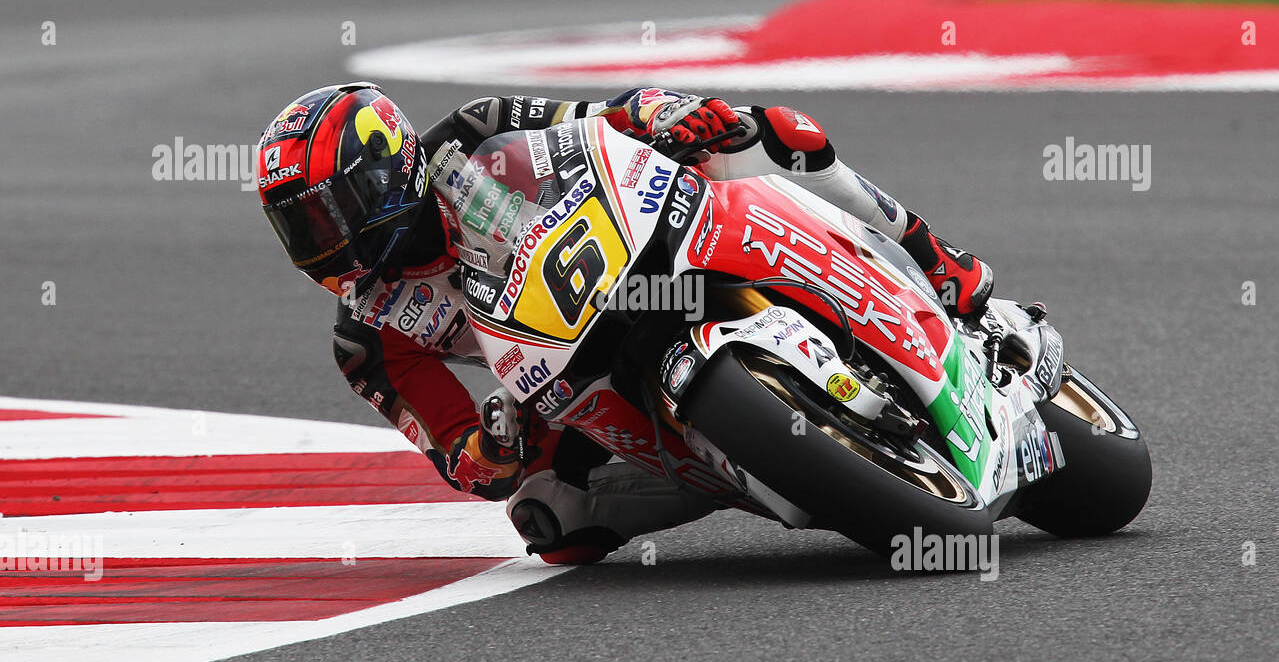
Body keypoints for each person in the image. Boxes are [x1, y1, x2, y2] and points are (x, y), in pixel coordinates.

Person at [255, 83, 993, 563]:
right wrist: (494, 442)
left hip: (639, 243)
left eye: (328, 213)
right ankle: (737, 461)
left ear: (385, 168)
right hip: (564, 373)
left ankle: (933, 252)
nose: (323, 243)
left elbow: (594, 121)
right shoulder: (366, 339)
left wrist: (656, 114)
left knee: (761, 128)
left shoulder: (474, 134)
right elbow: (461, 460)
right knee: (550, 521)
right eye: (300, 229)